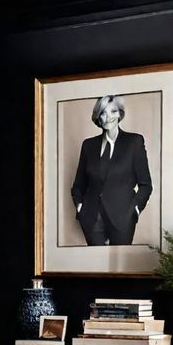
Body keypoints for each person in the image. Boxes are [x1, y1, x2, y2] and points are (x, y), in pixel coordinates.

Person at [71, 94, 152, 245]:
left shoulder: (134, 142)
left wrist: (134, 210)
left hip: (123, 218)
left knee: (120, 267)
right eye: (103, 112)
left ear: (120, 114)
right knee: (95, 265)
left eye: (113, 111)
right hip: (91, 218)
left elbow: (146, 185)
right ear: (97, 117)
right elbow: (78, 185)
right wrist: (80, 206)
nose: (108, 117)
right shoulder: (88, 145)